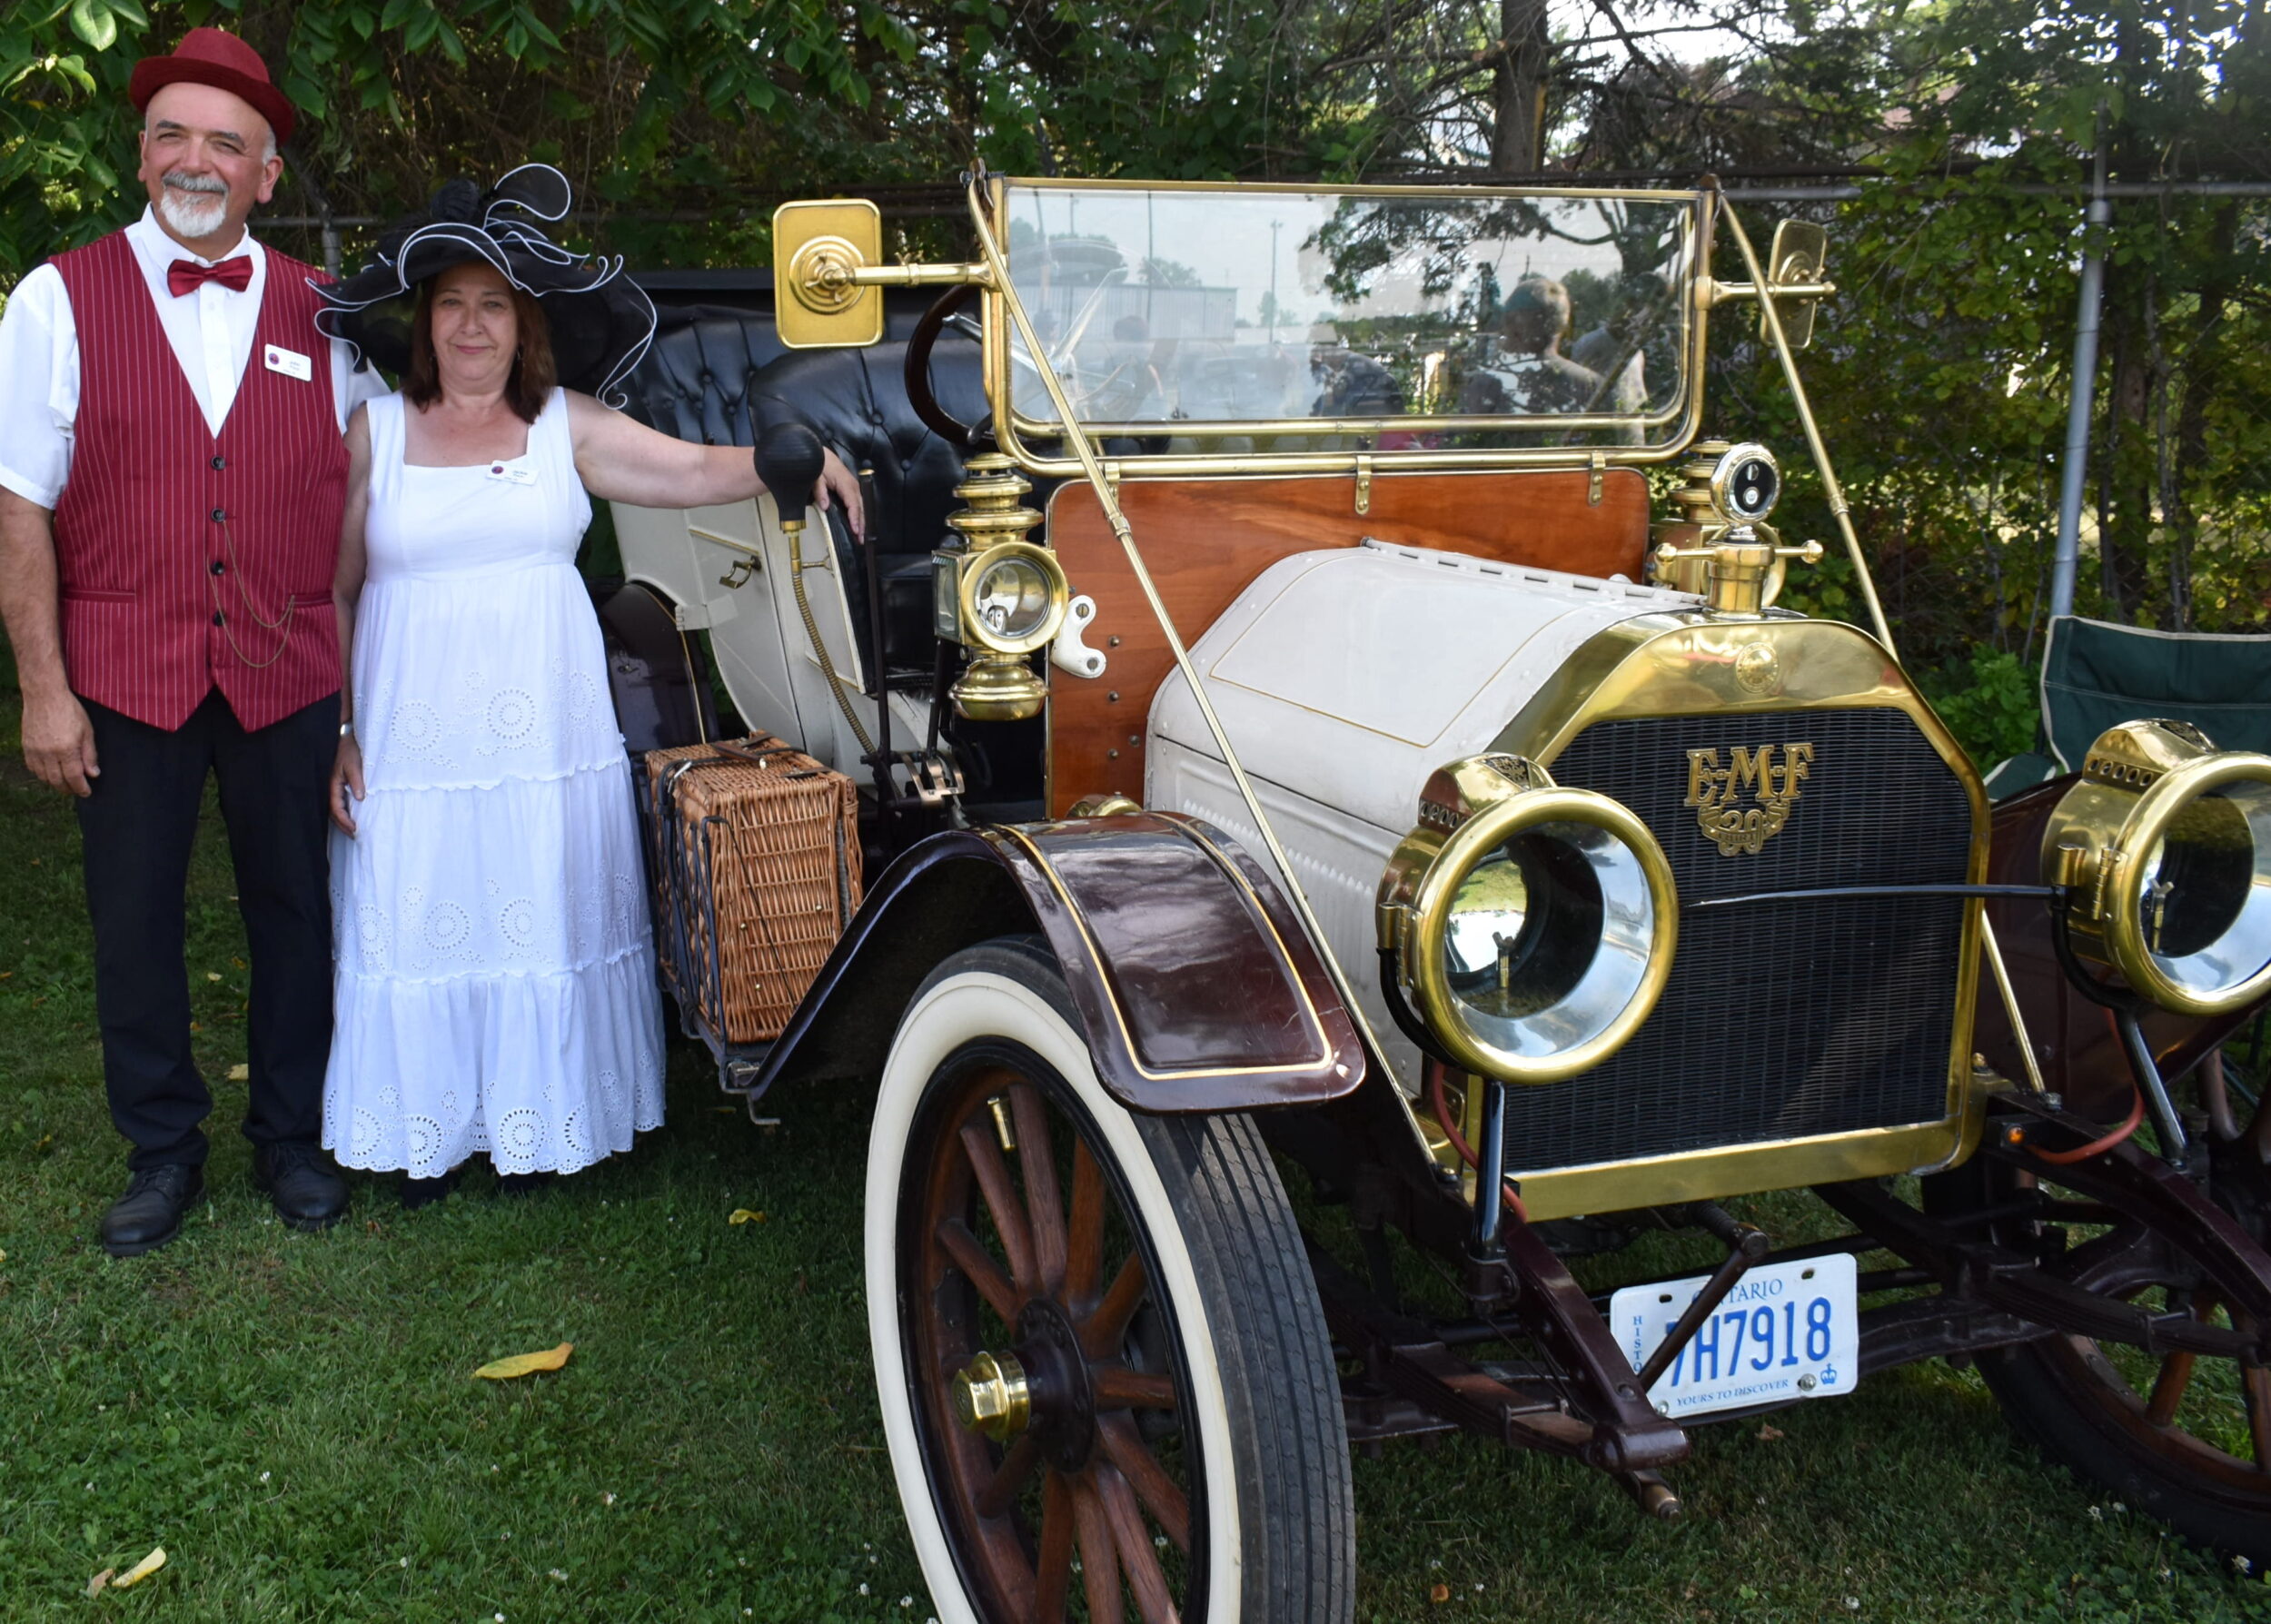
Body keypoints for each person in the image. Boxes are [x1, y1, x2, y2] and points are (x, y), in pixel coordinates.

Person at [316, 168, 860, 1203]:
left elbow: (693, 469)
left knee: (535, 900)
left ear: (524, 327)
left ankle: (544, 1117)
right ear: (423, 323)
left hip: (539, 728)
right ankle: (428, 1125)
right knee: (423, 901)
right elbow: (337, 590)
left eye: (493, 306)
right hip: (410, 726)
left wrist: (796, 456)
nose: (472, 326)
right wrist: (342, 727)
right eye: (451, 304)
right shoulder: (373, 434)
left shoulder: (564, 424)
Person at [0, 28, 386, 1255]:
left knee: (294, 910)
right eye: (173, 132)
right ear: (141, 153)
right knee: (132, 916)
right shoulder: (56, 298)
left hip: (284, 668)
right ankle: (162, 1148)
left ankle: (290, 1133)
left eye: (227, 140)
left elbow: (360, 514)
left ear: (268, 173)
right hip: (124, 673)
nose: (196, 158)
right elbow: (21, 508)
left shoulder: (334, 316)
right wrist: (44, 693)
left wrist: (350, 703)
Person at [1459, 275, 1604, 417]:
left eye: (1510, 319)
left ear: (1513, 325)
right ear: (1563, 325)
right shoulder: (1591, 384)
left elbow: (1463, 438)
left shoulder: (1489, 384)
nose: (1504, 329)